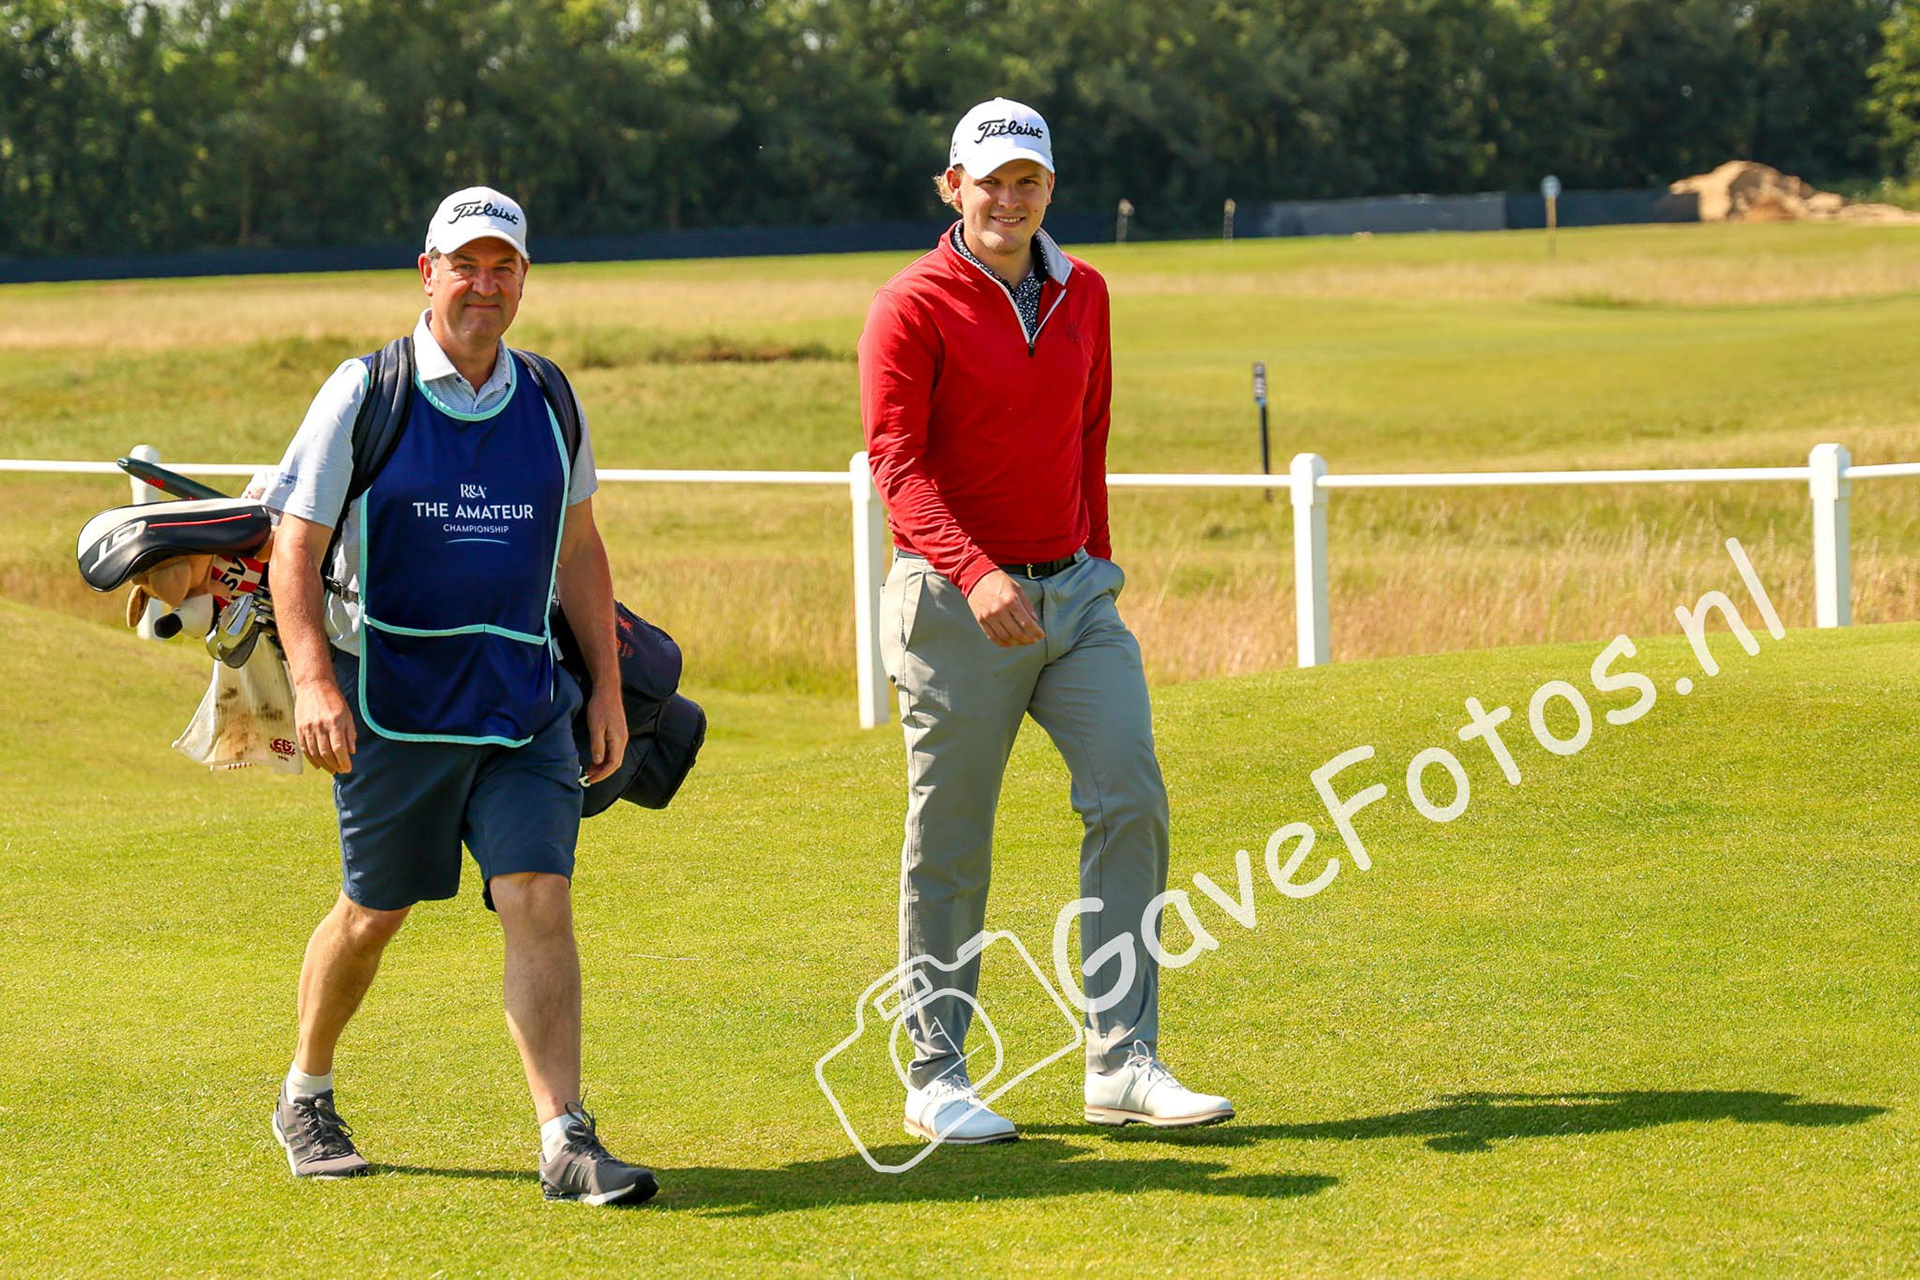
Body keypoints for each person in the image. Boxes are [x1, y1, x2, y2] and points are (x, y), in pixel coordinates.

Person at [260, 186, 656, 1205]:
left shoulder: (550, 395)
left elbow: (579, 546)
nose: (485, 285)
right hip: (389, 703)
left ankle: (566, 1138)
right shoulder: (366, 391)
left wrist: (606, 687)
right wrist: (312, 680)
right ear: (426, 273)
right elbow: (293, 547)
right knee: (374, 910)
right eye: (465, 265)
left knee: (537, 894)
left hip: (522, 699)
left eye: (503, 267)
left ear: (524, 279)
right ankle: (306, 1090)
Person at [859, 99, 1234, 1145]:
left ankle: (1121, 1060)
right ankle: (936, 1073)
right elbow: (898, 465)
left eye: (1027, 181)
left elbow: (1088, 434)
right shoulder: (909, 304)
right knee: (951, 841)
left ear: (1050, 188)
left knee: (1131, 798)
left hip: (1075, 596)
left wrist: (1096, 563)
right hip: (953, 605)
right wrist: (976, 571)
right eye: (990, 181)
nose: (1008, 199)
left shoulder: (1086, 293)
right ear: (953, 187)